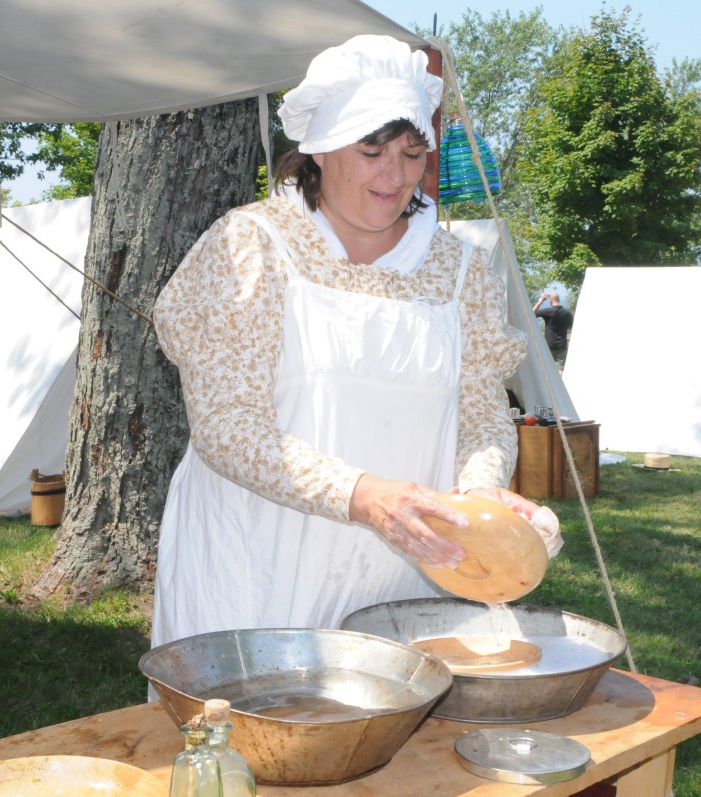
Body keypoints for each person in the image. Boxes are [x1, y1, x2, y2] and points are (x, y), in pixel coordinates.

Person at [150, 35, 561, 648]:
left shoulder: (460, 270)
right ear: (318, 149)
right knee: (253, 737)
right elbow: (227, 425)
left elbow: (479, 411)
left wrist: (479, 493)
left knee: (396, 725)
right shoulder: (254, 246)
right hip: (259, 562)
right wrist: (366, 498)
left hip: (407, 561)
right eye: (372, 151)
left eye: (412, 152)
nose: (394, 176)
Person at [532, 290, 574, 369]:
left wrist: (541, 300)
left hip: (549, 346)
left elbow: (532, 313)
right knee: (560, 369)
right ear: (559, 299)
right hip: (562, 346)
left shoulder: (548, 312)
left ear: (550, 300)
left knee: (547, 369)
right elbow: (570, 327)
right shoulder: (567, 313)